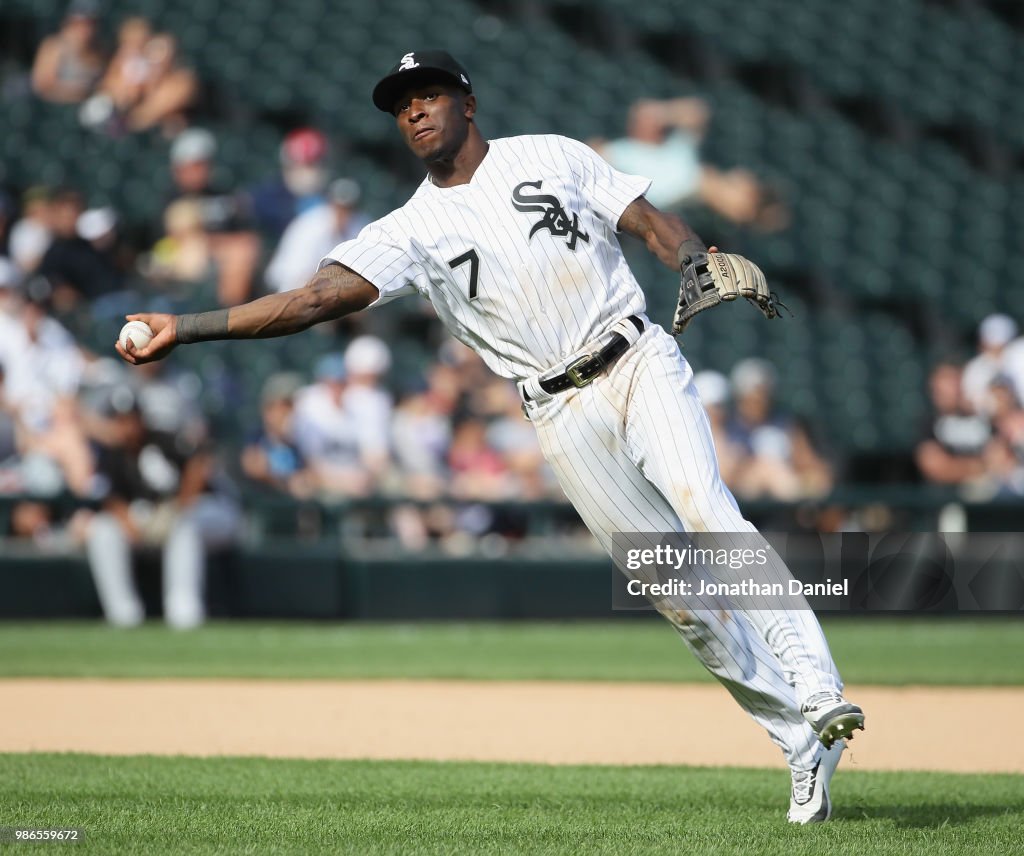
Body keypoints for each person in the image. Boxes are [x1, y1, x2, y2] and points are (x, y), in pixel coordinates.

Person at [116, 49, 863, 823]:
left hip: (633, 356)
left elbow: (642, 215)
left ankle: (818, 685)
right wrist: (189, 327)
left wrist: (690, 256)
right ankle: (800, 739)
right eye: (401, 103)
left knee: (706, 511)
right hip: (558, 410)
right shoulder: (410, 228)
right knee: (680, 601)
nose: (413, 110)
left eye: (428, 93)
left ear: (466, 102)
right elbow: (311, 300)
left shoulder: (549, 154)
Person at [591, 97, 787, 231]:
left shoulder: (670, 190)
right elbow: (694, 111)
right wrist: (656, 120)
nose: (745, 175)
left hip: (588, 156)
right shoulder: (686, 161)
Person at [265, 178, 368, 294]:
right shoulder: (311, 225)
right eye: (339, 207)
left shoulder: (360, 224)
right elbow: (297, 279)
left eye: (348, 208)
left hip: (330, 291)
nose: (343, 213)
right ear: (330, 203)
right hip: (286, 287)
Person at [31, 0, 106, 105]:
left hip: (86, 110)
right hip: (54, 108)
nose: (85, 29)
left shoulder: (100, 49)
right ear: (70, 22)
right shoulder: (54, 46)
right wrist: (78, 92)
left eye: (90, 24)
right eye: (80, 23)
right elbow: (42, 85)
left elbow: (105, 84)